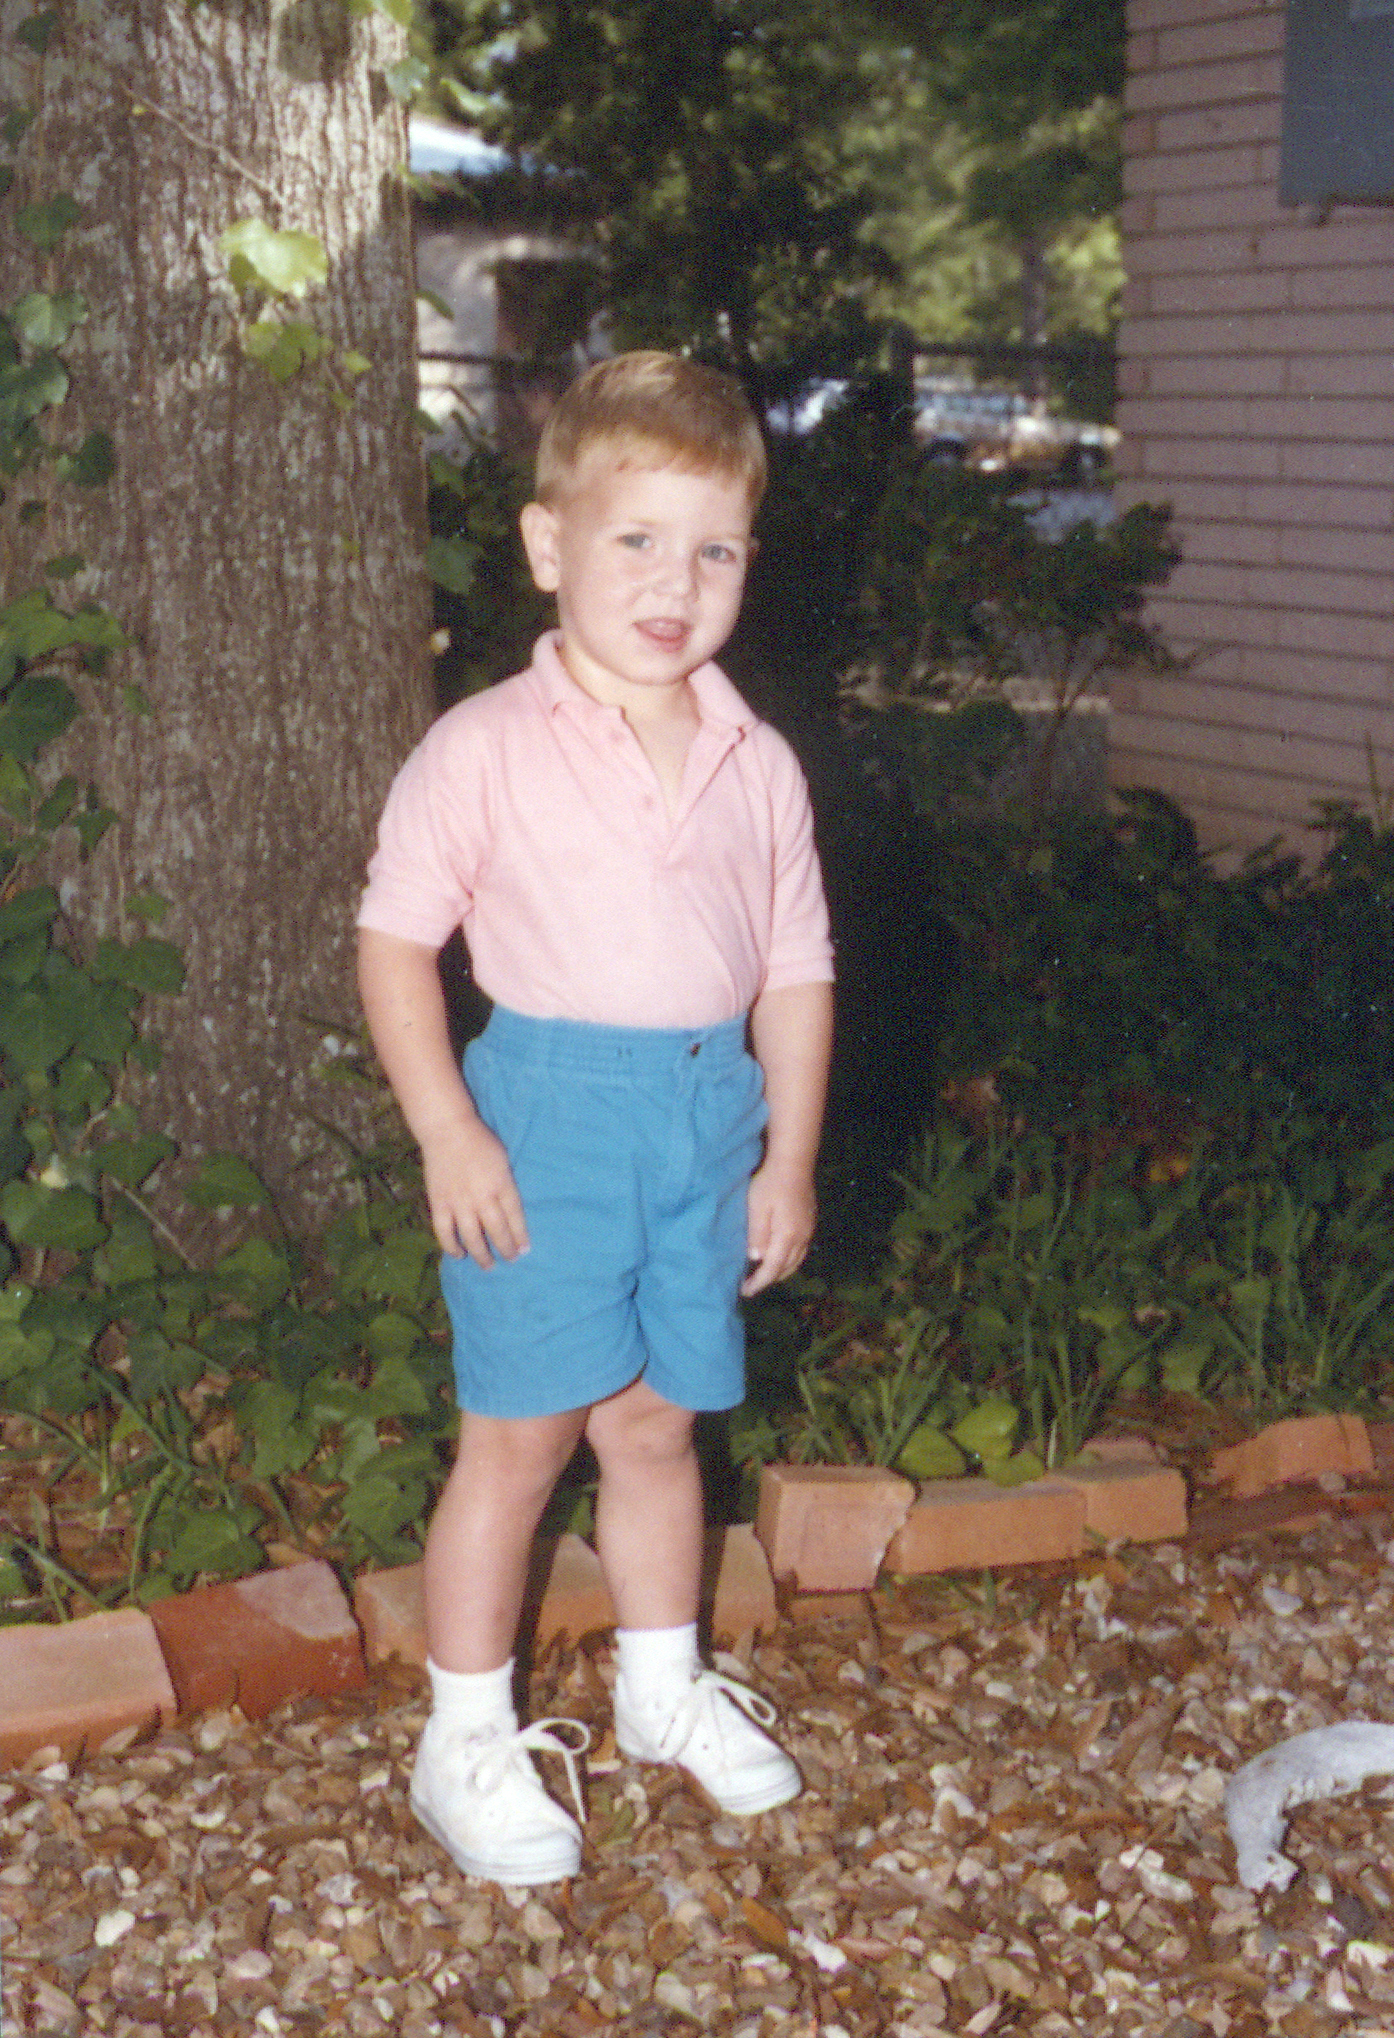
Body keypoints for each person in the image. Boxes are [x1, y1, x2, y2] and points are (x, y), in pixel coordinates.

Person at [356, 351, 835, 1888]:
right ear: (546, 545)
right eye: (634, 538)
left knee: (653, 1423)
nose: (673, 583)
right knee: (518, 1437)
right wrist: (448, 1129)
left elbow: (795, 971)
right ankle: (463, 1736)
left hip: (705, 1119)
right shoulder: (483, 745)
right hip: (545, 1121)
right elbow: (393, 943)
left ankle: (659, 1684)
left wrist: (788, 1154)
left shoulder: (757, 762)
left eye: (714, 550)